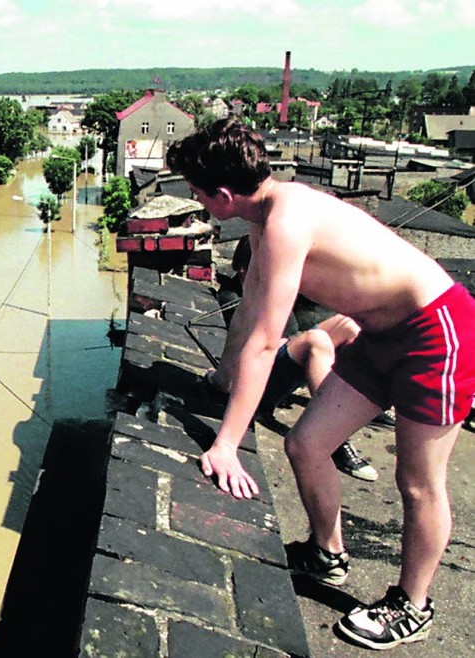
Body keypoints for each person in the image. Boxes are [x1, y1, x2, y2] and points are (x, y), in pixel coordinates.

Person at [167, 118, 475, 650]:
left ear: (221, 195)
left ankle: (413, 604)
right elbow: (249, 311)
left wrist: (226, 444)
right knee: (306, 444)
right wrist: (221, 375)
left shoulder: (286, 222)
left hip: (438, 334)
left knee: (418, 482)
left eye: (196, 193)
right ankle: (327, 554)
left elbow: (266, 344)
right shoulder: (264, 214)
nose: (194, 200)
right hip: (381, 337)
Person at [211, 235, 378, 482]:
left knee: (348, 325)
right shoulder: (233, 298)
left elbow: (288, 333)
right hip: (255, 380)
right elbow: (258, 348)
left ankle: (368, 394)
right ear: (244, 270)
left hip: (276, 359)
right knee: (316, 342)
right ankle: (337, 438)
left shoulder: (271, 293)